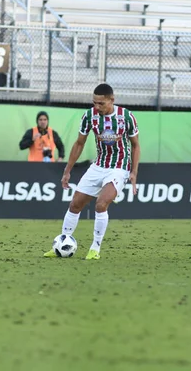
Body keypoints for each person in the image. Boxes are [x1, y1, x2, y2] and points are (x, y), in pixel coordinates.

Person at [43, 83, 140, 260]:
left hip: (119, 167)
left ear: (112, 100)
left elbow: (135, 145)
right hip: (98, 165)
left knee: (101, 204)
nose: (97, 107)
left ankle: (95, 248)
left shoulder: (126, 117)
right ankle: (62, 242)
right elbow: (79, 143)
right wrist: (67, 170)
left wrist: (134, 171)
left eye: (101, 103)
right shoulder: (89, 116)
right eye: (94, 103)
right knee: (75, 204)